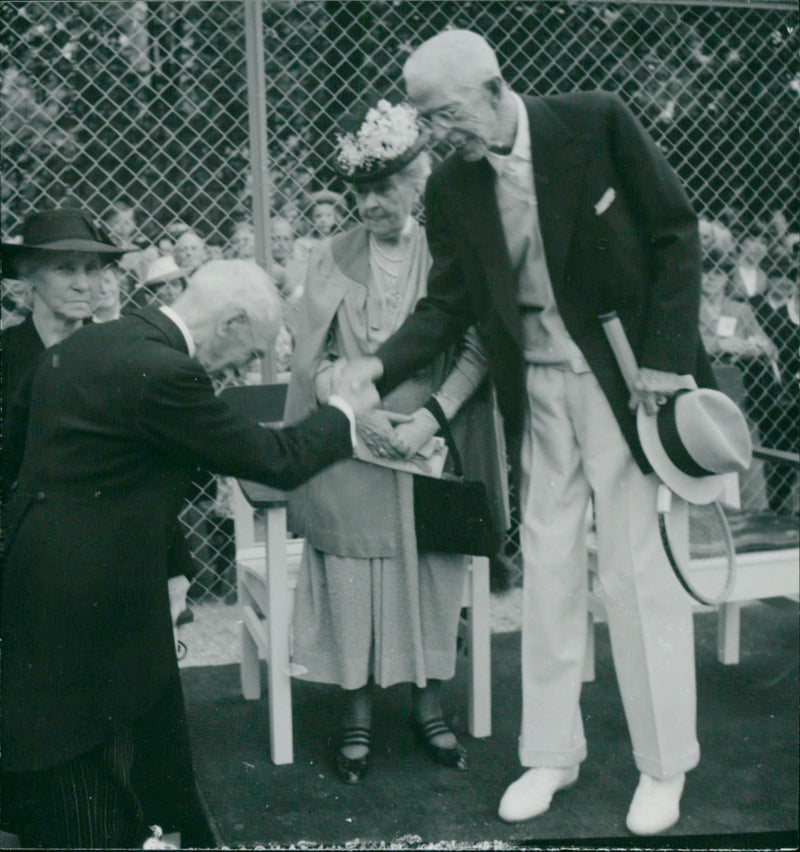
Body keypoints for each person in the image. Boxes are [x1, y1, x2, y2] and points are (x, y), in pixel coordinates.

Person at [341, 30, 716, 835]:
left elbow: (676, 233)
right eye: (426, 120)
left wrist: (663, 358)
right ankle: (550, 755)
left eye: (445, 115)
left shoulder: (597, 121)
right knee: (545, 573)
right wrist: (376, 365)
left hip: (628, 388)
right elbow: (449, 306)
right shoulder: (451, 187)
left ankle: (664, 768)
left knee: (635, 577)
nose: (438, 134)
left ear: (492, 87)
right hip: (538, 395)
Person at [0, 259, 380, 848]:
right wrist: (347, 411)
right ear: (229, 322)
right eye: (252, 350)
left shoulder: (92, 341)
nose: (248, 366)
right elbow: (275, 459)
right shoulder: (167, 371)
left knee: (114, 742)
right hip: (90, 603)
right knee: (87, 775)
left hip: (48, 578)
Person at [284, 99, 507, 785]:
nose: (371, 203)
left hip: (427, 439)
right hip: (352, 443)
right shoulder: (328, 255)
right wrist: (355, 410)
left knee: (431, 573)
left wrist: (429, 419)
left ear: (419, 183)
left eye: (385, 188)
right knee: (352, 575)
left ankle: (429, 701)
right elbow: (309, 360)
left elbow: (477, 346)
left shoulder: (447, 249)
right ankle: (354, 707)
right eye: (361, 191)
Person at [1, 208, 130, 480]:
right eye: (65, 269)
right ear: (30, 274)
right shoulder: (6, 353)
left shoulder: (121, 355)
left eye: (91, 269)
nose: (83, 285)